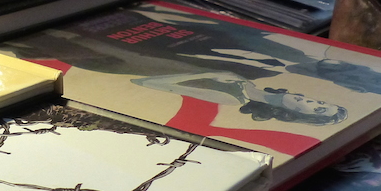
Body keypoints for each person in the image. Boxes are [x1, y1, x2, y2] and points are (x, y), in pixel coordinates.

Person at [132, 71, 348, 126]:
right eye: (321, 102)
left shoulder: (232, 98)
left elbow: (147, 83)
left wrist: (208, 74)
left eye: (318, 109)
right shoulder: (252, 81)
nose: (313, 101)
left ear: (294, 114)